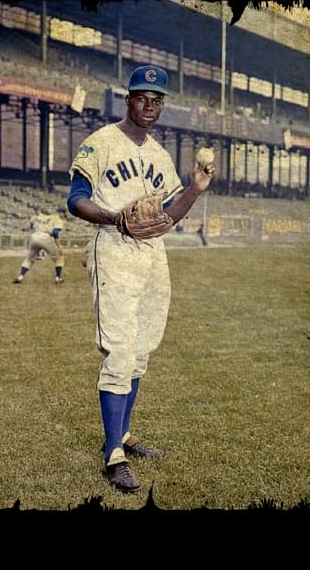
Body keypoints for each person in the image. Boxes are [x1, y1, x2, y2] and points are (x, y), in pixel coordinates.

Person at [67, 65, 214, 493]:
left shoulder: (160, 155)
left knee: (141, 350)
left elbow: (166, 217)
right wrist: (116, 217)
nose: (149, 105)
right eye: (141, 97)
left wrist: (195, 188)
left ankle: (125, 435)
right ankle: (113, 455)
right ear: (127, 100)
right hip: (113, 246)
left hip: (152, 253)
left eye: (157, 99)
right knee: (118, 350)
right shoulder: (101, 142)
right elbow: (75, 200)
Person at [12, 206, 66, 284]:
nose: (64, 217)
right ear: (61, 213)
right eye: (64, 215)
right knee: (59, 258)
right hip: (46, 237)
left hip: (34, 236)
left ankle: (20, 277)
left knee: (29, 259)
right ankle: (58, 278)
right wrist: (59, 245)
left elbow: (31, 223)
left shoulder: (43, 217)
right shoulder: (57, 219)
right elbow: (55, 233)